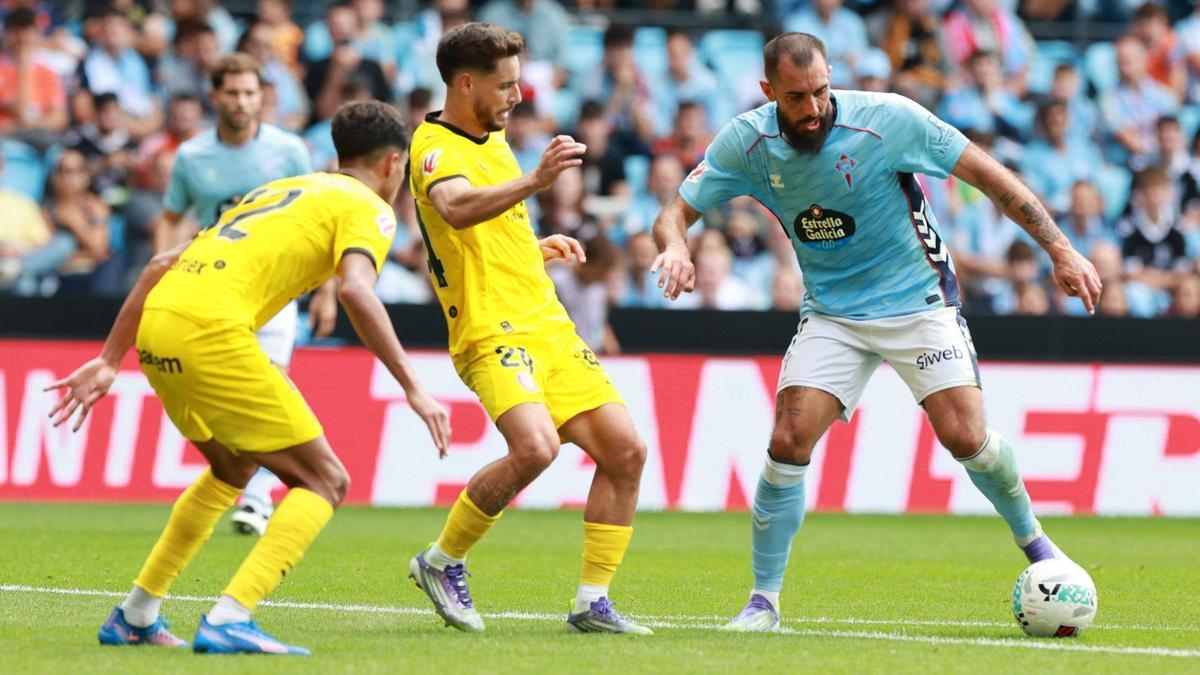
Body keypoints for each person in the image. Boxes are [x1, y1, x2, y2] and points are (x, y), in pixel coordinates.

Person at [650, 33, 1101, 632]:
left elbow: (990, 176)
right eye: (795, 98)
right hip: (834, 312)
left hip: (917, 299)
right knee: (788, 437)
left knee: (965, 436)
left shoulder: (889, 120)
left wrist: (1060, 249)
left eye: (819, 91)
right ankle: (763, 602)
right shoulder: (747, 142)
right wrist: (676, 246)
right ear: (768, 92)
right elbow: (674, 211)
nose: (812, 108)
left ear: (831, 77)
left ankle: (1038, 545)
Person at [47, 100, 450, 655]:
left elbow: (160, 262)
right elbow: (357, 289)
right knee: (325, 481)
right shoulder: (368, 207)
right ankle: (230, 617)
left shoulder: (279, 190)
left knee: (232, 466)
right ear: (392, 163)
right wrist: (413, 385)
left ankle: (136, 614)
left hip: (159, 325)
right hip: (211, 330)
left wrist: (111, 359)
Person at [407, 22, 651, 635]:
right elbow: (458, 209)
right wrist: (538, 181)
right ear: (466, 83)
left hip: (547, 324)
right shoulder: (434, 147)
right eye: (506, 84)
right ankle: (442, 561)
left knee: (625, 452)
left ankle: (591, 602)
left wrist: (535, 247)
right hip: (492, 330)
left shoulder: (492, 137)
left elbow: (489, 233)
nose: (517, 96)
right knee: (536, 448)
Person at [151, 53, 337, 537]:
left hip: (274, 293)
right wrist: (162, 265)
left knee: (269, 382)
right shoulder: (192, 157)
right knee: (225, 400)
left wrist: (327, 291)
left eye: (250, 92)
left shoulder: (289, 151)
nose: (241, 101)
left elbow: (322, 218)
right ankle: (241, 482)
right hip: (211, 291)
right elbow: (172, 215)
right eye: (232, 92)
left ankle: (255, 499)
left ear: (263, 97)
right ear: (215, 97)